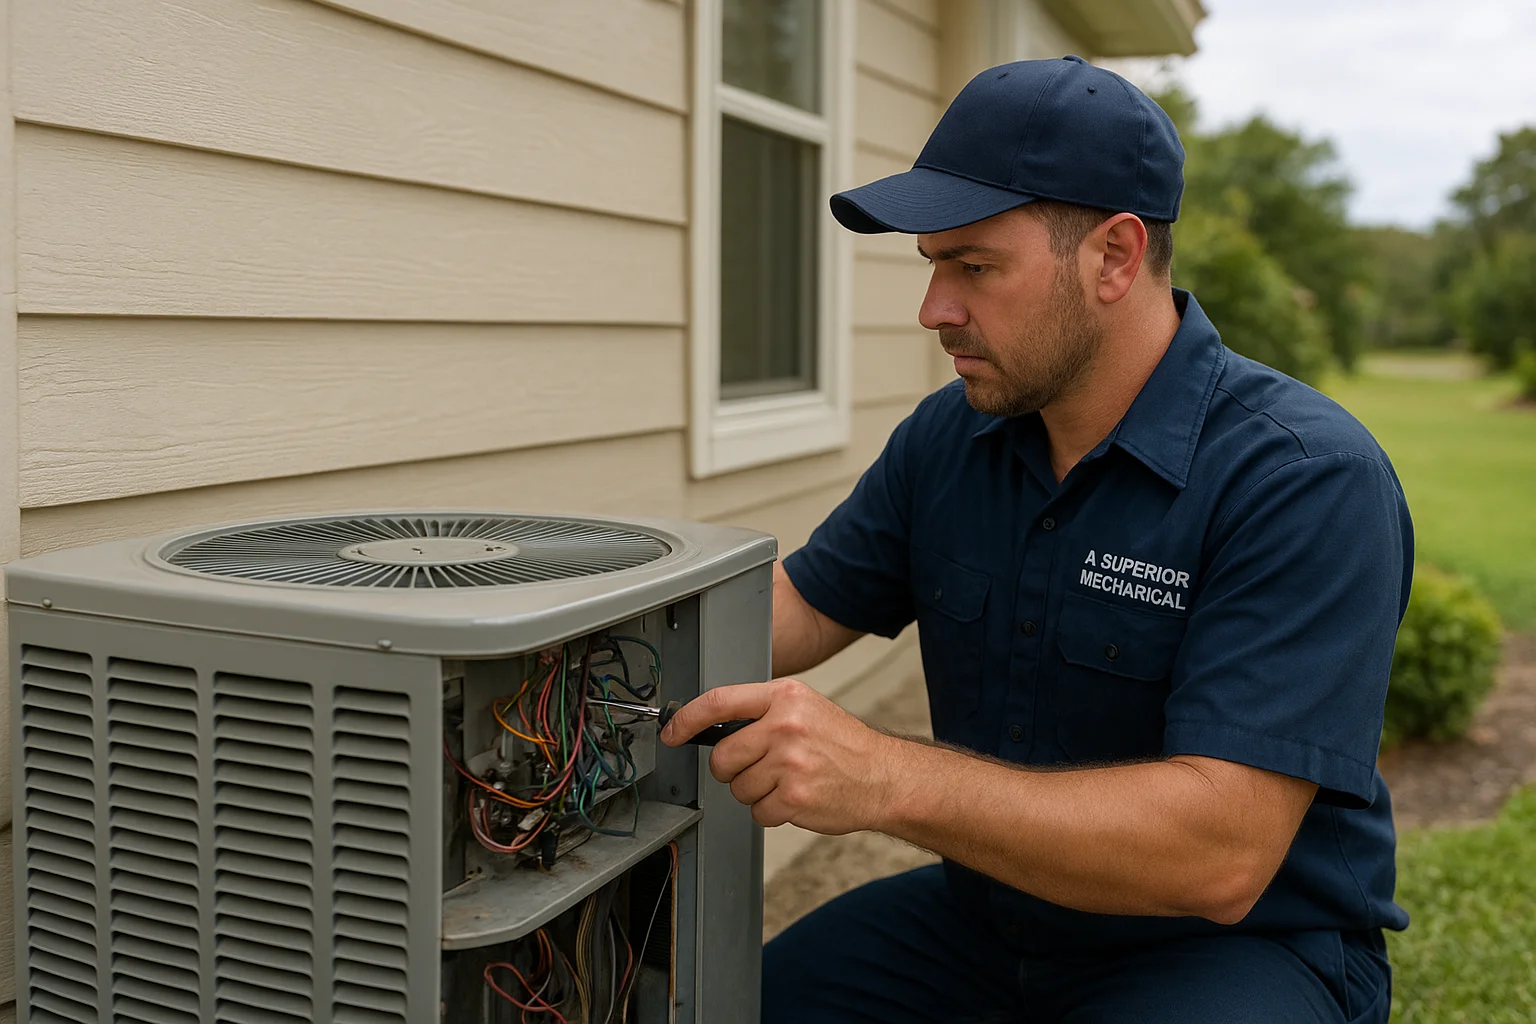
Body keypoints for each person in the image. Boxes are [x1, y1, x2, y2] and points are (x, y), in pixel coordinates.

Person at [662, 55, 1410, 1024]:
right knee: (729, 1004)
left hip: (1233, 947)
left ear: (1114, 257)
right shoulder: (951, 436)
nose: (935, 310)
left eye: (975, 267)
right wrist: (575, 636)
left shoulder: (1303, 477)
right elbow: (800, 609)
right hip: (990, 923)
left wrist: (884, 777)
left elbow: (1221, 853)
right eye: (934, 266)